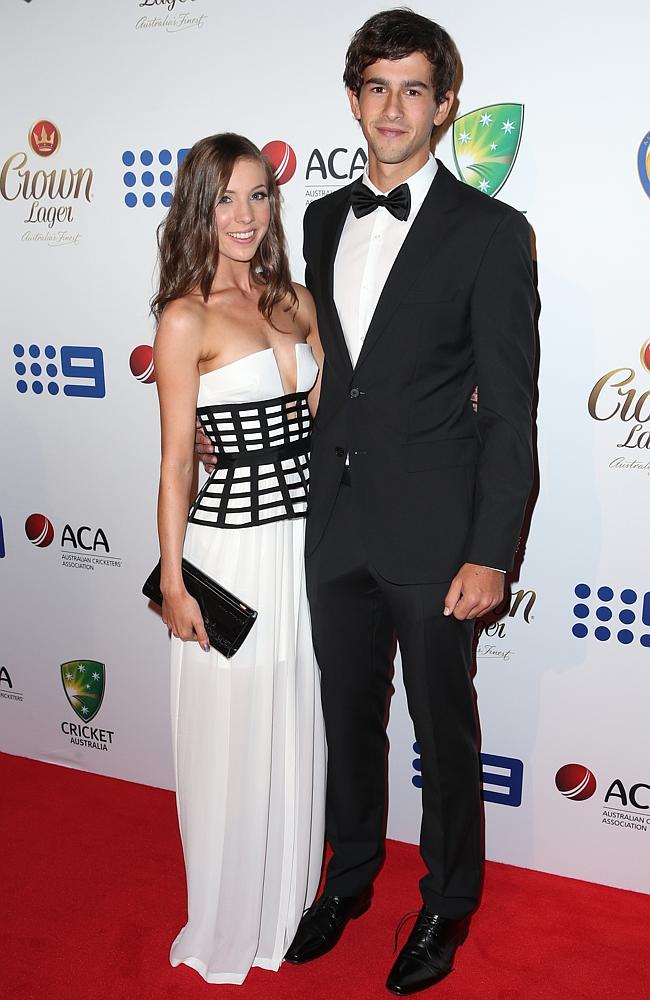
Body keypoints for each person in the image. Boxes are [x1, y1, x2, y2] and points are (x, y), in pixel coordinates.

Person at [284, 9, 536, 995]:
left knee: (443, 728)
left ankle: (445, 902)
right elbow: (337, 367)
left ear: (443, 107)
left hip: (438, 533)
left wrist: (490, 550)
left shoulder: (488, 232)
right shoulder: (315, 218)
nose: (392, 108)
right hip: (334, 518)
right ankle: (346, 878)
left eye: (413, 90)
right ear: (353, 98)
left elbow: (510, 412)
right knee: (345, 717)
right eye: (375, 88)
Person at [152, 132, 326, 985]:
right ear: (197, 207)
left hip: (306, 550)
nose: (245, 215)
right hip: (230, 551)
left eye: (258, 195)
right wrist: (174, 580)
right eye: (225, 198)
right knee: (232, 734)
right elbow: (179, 461)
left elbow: (332, 421)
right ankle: (227, 918)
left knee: (294, 722)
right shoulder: (184, 316)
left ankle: (285, 909)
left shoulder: (295, 300)